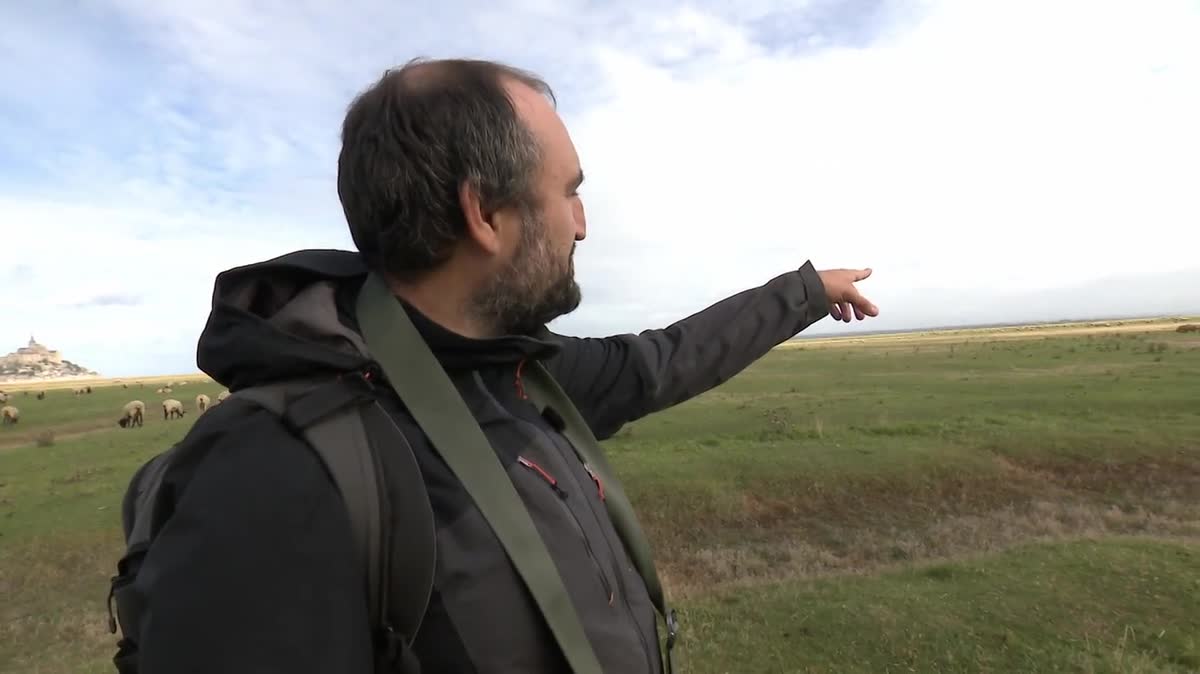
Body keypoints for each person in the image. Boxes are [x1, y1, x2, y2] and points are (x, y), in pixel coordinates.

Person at [126, 57, 878, 674]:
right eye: (570, 192)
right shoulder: (280, 473)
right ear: (484, 214)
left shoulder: (516, 376)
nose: (582, 223)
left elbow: (661, 362)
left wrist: (805, 294)